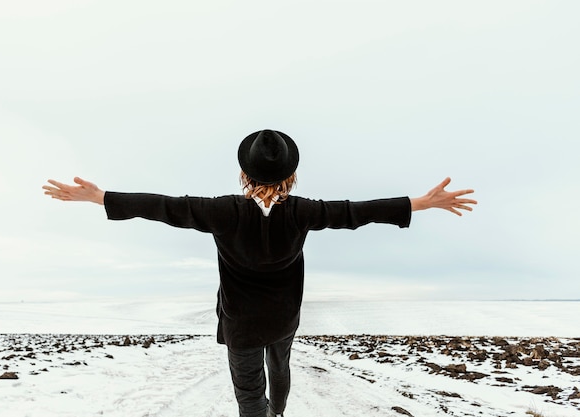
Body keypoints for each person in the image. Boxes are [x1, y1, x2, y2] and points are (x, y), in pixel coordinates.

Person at [43, 129, 477, 417]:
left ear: (244, 173)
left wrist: (101, 197)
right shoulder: (305, 212)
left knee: (250, 394)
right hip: (284, 318)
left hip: (241, 324)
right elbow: (356, 212)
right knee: (280, 367)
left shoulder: (219, 211)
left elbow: (162, 206)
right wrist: (421, 202)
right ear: (291, 175)